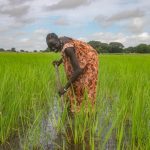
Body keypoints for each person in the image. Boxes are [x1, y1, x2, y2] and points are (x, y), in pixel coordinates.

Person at [46, 33, 99, 112]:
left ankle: (87, 110)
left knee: (85, 83)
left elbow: (78, 70)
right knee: (75, 82)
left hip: (89, 58)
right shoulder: (60, 42)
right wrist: (59, 62)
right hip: (79, 56)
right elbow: (67, 54)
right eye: (50, 47)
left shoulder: (68, 48)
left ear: (58, 40)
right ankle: (75, 105)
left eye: (54, 45)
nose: (53, 48)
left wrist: (64, 88)